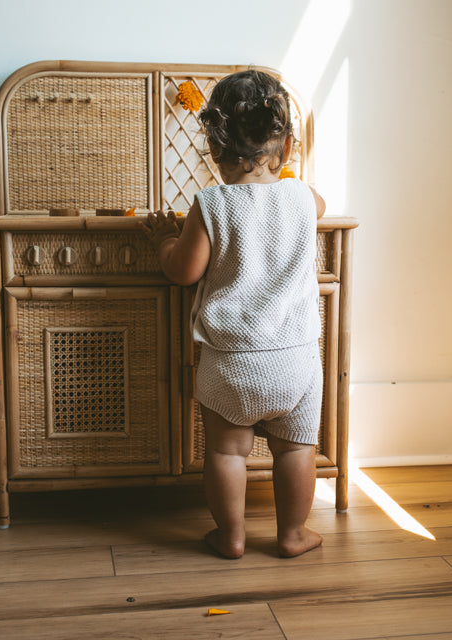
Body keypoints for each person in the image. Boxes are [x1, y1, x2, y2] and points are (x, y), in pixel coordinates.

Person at [142, 70, 327, 559]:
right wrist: (288, 185)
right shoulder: (304, 198)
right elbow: (319, 204)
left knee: (227, 453)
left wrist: (164, 241)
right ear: (286, 148)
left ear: (214, 149)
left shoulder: (212, 203)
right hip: (296, 363)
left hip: (231, 362)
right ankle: (292, 535)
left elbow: (184, 271)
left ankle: (232, 535)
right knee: (295, 450)